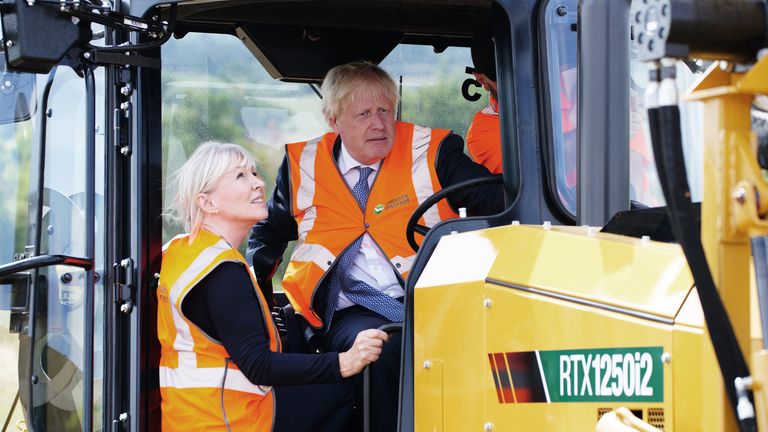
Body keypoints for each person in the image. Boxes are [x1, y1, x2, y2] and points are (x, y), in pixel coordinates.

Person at [247, 61, 504, 432]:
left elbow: (497, 198)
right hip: (346, 310)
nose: (379, 124)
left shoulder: (433, 152)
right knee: (382, 346)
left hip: (430, 297)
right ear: (333, 120)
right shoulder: (302, 165)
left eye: (385, 111)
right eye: (364, 114)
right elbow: (268, 233)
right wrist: (254, 290)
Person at [157, 142, 388, 432]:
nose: (257, 183)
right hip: (229, 420)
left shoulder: (182, 251)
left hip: (191, 415)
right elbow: (258, 365)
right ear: (207, 203)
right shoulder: (223, 271)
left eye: (254, 173)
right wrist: (344, 362)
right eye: (241, 176)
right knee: (341, 392)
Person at [465, 29, 502, 174]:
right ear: (481, 80)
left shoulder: (572, 89)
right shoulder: (482, 131)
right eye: (501, 76)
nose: (518, 81)